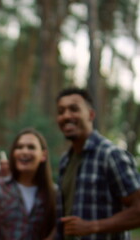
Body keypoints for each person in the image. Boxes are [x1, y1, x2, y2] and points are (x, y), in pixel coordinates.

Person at [55, 87, 140, 240]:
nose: (66, 116)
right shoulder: (65, 161)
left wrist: (93, 226)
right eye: (61, 111)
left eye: (74, 109)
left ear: (91, 115)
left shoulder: (111, 155)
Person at [0, 128, 56, 240]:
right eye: (19, 147)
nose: (24, 151)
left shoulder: (53, 192)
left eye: (31, 147)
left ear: (43, 155)